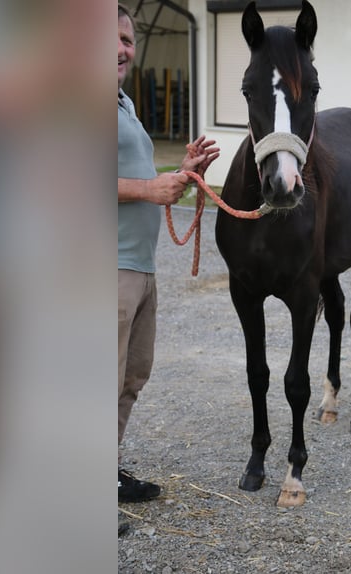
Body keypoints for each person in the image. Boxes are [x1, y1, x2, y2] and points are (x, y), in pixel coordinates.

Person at [118, 3, 219, 505]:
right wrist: (145, 190)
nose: (120, 49)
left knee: (131, 377)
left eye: (127, 40)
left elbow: (135, 175)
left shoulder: (123, 104)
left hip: (139, 266)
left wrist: (178, 171)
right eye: (108, 40)